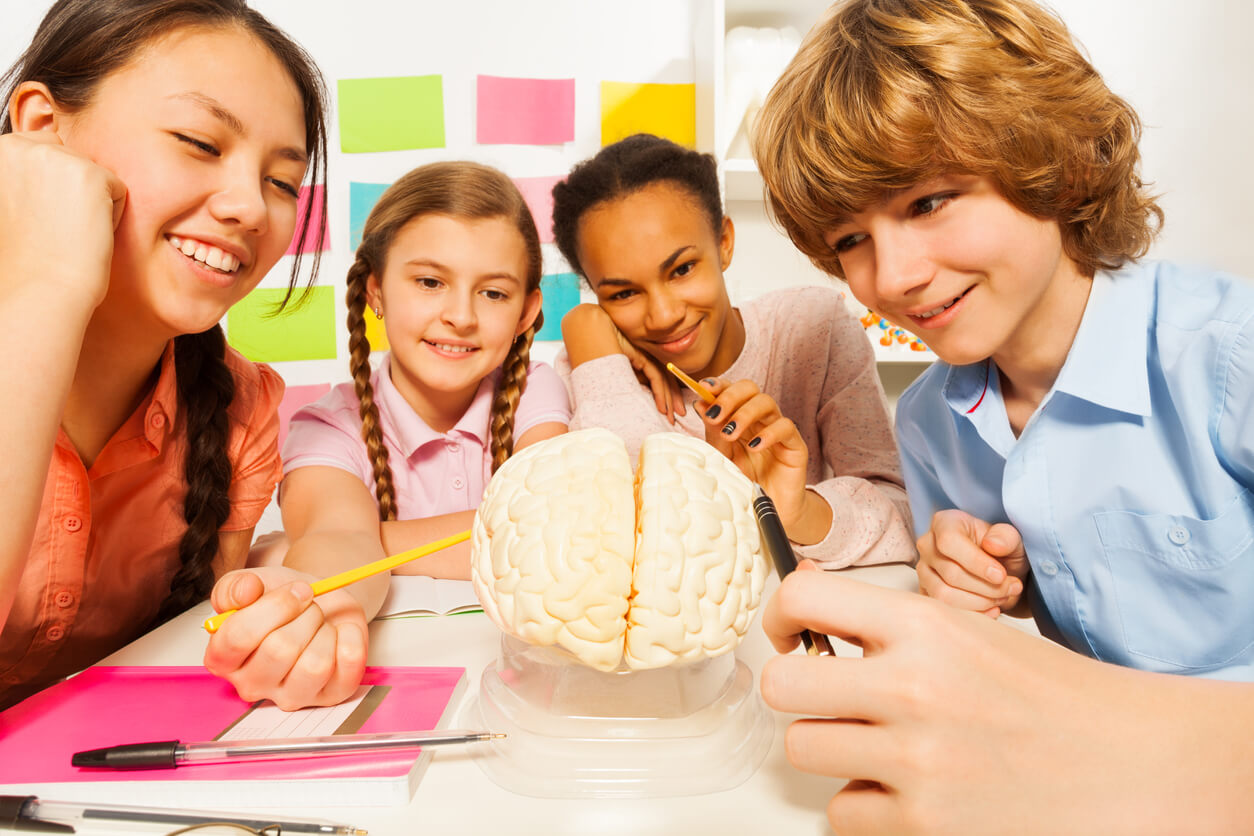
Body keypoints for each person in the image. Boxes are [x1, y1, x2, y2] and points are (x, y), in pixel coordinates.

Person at [752, 0, 1254, 829]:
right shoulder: (928, 423)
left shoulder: (1227, 355)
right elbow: (1062, 598)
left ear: (1051, 164)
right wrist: (993, 583)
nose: (897, 275)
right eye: (851, 241)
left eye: (929, 202)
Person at [0, 0, 328, 711]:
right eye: (199, 142)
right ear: (40, 131)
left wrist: (272, 630)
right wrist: (51, 285)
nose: (250, 207)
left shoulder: (241, 411)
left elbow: (186, 673)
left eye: (281, 182)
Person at [204, 162, 571, 709]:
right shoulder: (329, 427)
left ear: (527, 313)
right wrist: (324, 603)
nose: (461, 316)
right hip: (405, 686)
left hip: (527, 687)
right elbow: (338, 539)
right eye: (429, 282)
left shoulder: (539, 392)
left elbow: (548, 530)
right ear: (376, 291)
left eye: (493, 293)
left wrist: (293, 551)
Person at [551, 134, 913, 568]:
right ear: (595, 293)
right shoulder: (596, 365)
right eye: (624, 293)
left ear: (723, 242)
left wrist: (798, 511)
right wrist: (586, 331)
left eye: (682, 269)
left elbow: (900, 514)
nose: (664, 315)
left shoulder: (813, 328)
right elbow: (617, 541)